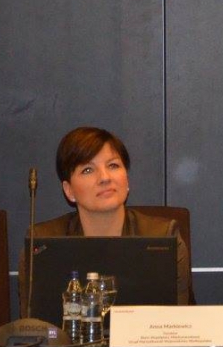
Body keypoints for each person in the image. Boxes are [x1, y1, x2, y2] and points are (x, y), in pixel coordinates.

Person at [18, 127, 191, 316]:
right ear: (69, 190)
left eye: (113, 166)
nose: (105, 178)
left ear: (127, 180)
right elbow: (35, 326)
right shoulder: (42, 242)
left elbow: (179, 323)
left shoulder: (164, 236)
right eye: (88, 170)